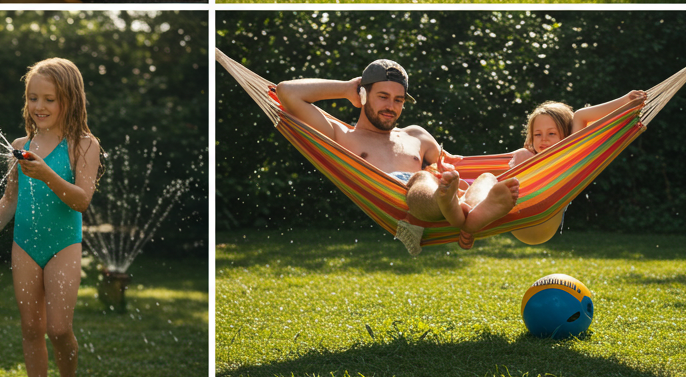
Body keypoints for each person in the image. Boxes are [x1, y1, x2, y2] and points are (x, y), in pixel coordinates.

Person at [275, 59, 521, 252]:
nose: (391, 107)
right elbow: (287, 92)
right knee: (422, 180)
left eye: (398, 100)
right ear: (363, 95)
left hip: (449, 196)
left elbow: (457, 165)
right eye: (383, 96)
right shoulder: (340, 135)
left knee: (487, 177)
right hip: (412, 197)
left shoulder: (416, 135)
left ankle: (472, 217)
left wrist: (522, 157)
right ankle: (456, 208)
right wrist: (346, 88)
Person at [0, 59, 102, 377]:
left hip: (63, 245)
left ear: (70, 99)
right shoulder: (20, 147)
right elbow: (10, 198)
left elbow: (81, 201)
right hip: (25, 245)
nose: (39, 107)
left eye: (50, 99)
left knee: (59, 329)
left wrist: (46, 174)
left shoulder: (84, 145)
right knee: (31, 328)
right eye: (33, 98)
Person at [502, 90, 646, 245]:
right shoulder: (528, 156)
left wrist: (626, 100)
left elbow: (581, 116)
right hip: (513, 217)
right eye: (537, 135)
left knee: (521, 155)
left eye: (551, 134)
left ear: (566, 135)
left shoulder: (570, 154)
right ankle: (473, 221)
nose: (543, 139)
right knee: (506, 165)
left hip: (542, 221)